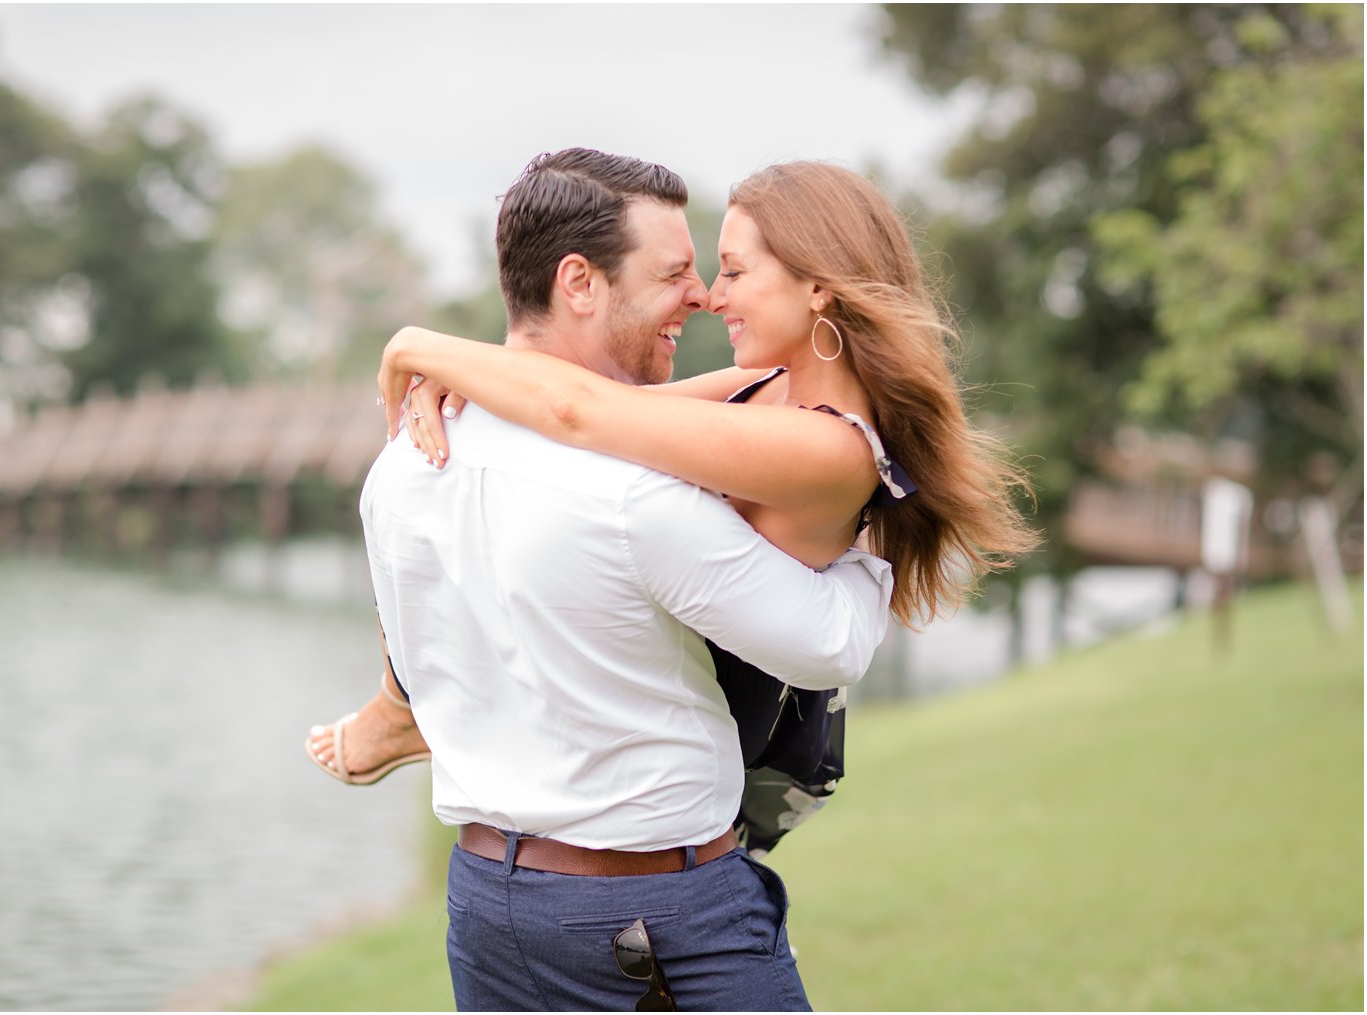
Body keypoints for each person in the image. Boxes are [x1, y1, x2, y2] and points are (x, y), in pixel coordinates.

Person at [309, 158, 1037, 852]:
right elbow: (616, 406)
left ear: (818, 288)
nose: (714, 295)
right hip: (663, 681)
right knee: (462, 503)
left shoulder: (831, 446)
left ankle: (403, 710)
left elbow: (577, 413)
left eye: (736, 271)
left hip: (738, 729)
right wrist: (474, 376)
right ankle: (403, 706)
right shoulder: (769, 384)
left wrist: (421, 347)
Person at [334, 148, 904, 1012]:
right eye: (676, 272)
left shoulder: (400, 467)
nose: (702, 295)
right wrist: (870, 551)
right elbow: (828, 645)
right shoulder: (641, 499)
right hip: (654, 918)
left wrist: (438, 356)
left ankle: (395, 717)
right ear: (581, 282)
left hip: (486, 901)